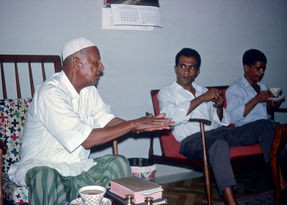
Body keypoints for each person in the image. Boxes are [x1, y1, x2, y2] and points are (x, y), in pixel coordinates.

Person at [8, 37, 174, 204]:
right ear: (76, 62)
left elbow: (107, 120)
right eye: (96, 62)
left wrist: (139, 127)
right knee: (45, 177)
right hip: (46, 169)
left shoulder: (88, 90)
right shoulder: (50, 93)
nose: (101, 67)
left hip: (78, 169)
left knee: (118, 164)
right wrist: (133, 124)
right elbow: (86, 140)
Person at [158, 48, 240, 204]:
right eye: (182, 66)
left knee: (263, 126)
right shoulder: (166, 93)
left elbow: (222, 121)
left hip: (217, 132)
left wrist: (219, 107)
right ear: (175, 68)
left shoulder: (204, 90)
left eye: (192, 67)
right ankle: (231, 201)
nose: (186, 72)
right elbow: (171, 118)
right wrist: (202, 98)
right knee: (220, 144)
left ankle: (284, 183)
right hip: (192, 141)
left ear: (197, 71)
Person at [225, 48, 287, 193]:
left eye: (263, 69)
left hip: (263, 128)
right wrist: (256, 99)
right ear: (246, 67)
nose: (261, 72)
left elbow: (267, 115)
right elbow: (232, 118)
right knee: (266, 126)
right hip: (242, 131)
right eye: (258, 68)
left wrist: (271, 107)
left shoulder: (263, 87)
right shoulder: (235, 89)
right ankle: (280, 182)